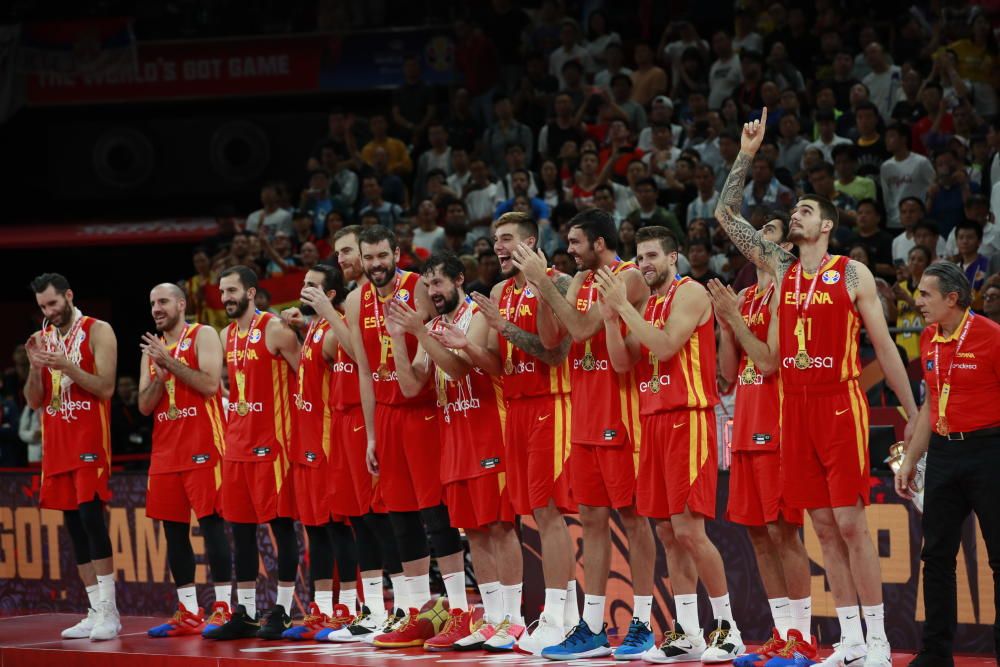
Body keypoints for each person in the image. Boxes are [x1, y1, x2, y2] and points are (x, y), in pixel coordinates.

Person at [715, 107, 919, 667]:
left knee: (851, 523)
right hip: (792, 409)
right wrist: (747, 154)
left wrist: (913, 410)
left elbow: (885, 347)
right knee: (823, 529)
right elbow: (726, 214)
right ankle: (850, 638)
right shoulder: (780, 268)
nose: (795, 213)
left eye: (805, 209)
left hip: (838, 404)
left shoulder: (850, 273)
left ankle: (877, 640)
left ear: (825, 225)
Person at [598, 227, 745, 663]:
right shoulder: (649, 302)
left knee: (689, 531)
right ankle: (688, 632)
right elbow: (623, 362)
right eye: (639, 257)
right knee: (666, 532)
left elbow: (663, 345)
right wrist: (610, 318)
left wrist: (623, 305)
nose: (643, 264)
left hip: (689, 417)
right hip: (653, 420)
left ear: (673, 257)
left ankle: (727, 627)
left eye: (651, 256)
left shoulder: (691, 293)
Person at [514, 210, 655, 660]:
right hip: (585, 417)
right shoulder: (579, 282)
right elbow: (554, 339)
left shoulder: (628, 279)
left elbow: (580, 328)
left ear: (598, 243)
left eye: (575, 242)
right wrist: (542, 288)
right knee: (592, 521)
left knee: (633, 521)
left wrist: (551, 284)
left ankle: (643, 622)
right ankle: (593, 626)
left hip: (623, 416)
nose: (568, 250)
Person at [386, 252, 525, 651]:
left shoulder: (477, 314)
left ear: (458, 280)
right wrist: (400, 336)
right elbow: (412, 386)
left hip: (487, 434)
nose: (433, 292)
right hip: (454, 438)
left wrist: (423, 333)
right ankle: (493, 618)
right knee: (476, 531)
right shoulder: (429, 326)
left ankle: (513, 619)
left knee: (499, 526)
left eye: (438, 284)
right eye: (427, 286)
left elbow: (461, 367)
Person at [345, 225, 466, 649]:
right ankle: (418, 612)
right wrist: (371, 435)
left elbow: (421, 369)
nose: (375, 264)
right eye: (368, 257)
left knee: (435, 514)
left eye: (382, 255)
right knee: (399, 517)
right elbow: (362, 370)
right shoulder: (354, 300)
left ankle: (459, 611)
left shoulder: (418, 287)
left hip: (423, 412)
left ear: (395, 253)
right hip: (388, 418)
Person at [707, 219, 814, 666]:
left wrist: (733, 319)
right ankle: (780, 633)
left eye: (766, 229)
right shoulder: (746, 296)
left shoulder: (788, 290)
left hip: (779, 419)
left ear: (785, 244)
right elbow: (728, 374)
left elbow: (769, 362)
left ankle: (803, 637)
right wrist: (724, 324)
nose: (755, 236)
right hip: (746, 421)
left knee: (781, 530)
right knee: (756, 532)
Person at [470, 212, 577, 655]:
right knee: (535, 512)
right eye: (495, 239)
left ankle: (554, 617)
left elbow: (554, 355)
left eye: (508, 238)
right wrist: (470, 348)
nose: (498, 246)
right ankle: (566, 618)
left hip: (552, 404)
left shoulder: (560, 284)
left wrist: (503, 327)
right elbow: (498, 362)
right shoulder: (498, 291)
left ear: (531, 242)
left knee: (550, 513)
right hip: (515, 407)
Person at [895, 262, 1000, 667]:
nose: (917, 301)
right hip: (942, 452)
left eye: (925, 294)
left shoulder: (991, 337)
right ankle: (935, 653)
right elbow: (928, 407)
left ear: (951, 299)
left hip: (989, 453)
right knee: (936, 556)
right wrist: (911, 460)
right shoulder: (927, 338)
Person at [314, 226, 408, 643]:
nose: (344, 259)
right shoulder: (354, 299)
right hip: (347, 415)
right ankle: (371, 609)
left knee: (383, 514)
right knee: (360, 515)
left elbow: (357, 353)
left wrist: (329, 316)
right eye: (340, 253)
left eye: (348, 251)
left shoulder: (379, 297)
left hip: (375, 411)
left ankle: (404, 604)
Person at [204, 265, 301, 641]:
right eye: (222, 291)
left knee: (280, 527)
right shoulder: (228, 334)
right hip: (237, 447)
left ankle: (284, 610)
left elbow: (304, 377)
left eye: (232, 291)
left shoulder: (275, 329)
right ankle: (243, 612)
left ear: (250, 292)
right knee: (241, 532)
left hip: (272, 446)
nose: (226, 297)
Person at [24, 273, 120, 641]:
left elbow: (106, 387)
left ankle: (111, 612)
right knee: (74, 528)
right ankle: (94, 609)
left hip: (89, 439)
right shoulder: (40, 339)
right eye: (42, 307)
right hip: (57, 445)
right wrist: (35, 367)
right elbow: (34, 401)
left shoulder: (99, 330)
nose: (48, 312)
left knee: (91, 519)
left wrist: (67, 367)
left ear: (68, 295)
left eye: (53, 303)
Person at [272, 266, 363, 640]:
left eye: (313, 286)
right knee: (314, 530)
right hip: (304, 445)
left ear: (333, 294)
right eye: (304, 285)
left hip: (327, 446)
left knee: (336, 529)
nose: (304, 290)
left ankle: (348, 610)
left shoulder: (334, 332)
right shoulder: (314, 330)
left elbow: (359, 358)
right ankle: (321, 610)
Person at [137, 284, 232, 638]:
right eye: (151, 303)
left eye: (162, 301)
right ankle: (189, 611)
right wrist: (159, 378)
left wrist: (169, 363)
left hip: (203, 444)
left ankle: (223, 607)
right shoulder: (151, 347)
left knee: (211, 526)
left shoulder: (203, 334)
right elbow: (145, 406)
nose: (156, 308)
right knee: (173, 533)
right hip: (165, 451)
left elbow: (209, 385)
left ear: (181, 303)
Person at [881, 124, 936, 230]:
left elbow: (933, 188)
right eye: (886, 137)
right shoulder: (885, 166)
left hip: (918, 221)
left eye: (891, 136)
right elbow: (886, 196)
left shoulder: (921, 162)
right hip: (893, 222)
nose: (887, 140)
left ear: (903, 139)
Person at [894, 245, 932, 363]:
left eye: (920, 260)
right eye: (912, 259)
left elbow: (929, 313)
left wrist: (906, 298)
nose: (915, 262)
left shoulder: (931, 286)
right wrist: (889, 300)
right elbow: (893, 317)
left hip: (924, 346)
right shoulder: (901, 286)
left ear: (927, 265)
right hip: (902, 347)